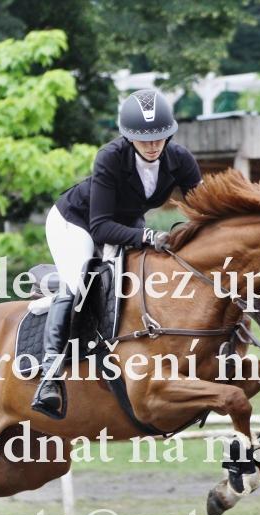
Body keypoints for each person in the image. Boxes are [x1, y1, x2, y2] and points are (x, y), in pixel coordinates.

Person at [32, 88, 203, 419]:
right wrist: (149, 236)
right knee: (78, 283)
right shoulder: (110, 157)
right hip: (77, 222)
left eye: (159, 137)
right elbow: (100, 228)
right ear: (128, 137)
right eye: (144, 139)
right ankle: (50, 377)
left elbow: (204, 207)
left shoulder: (180, 159)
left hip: (126, 224)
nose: (152, 145)